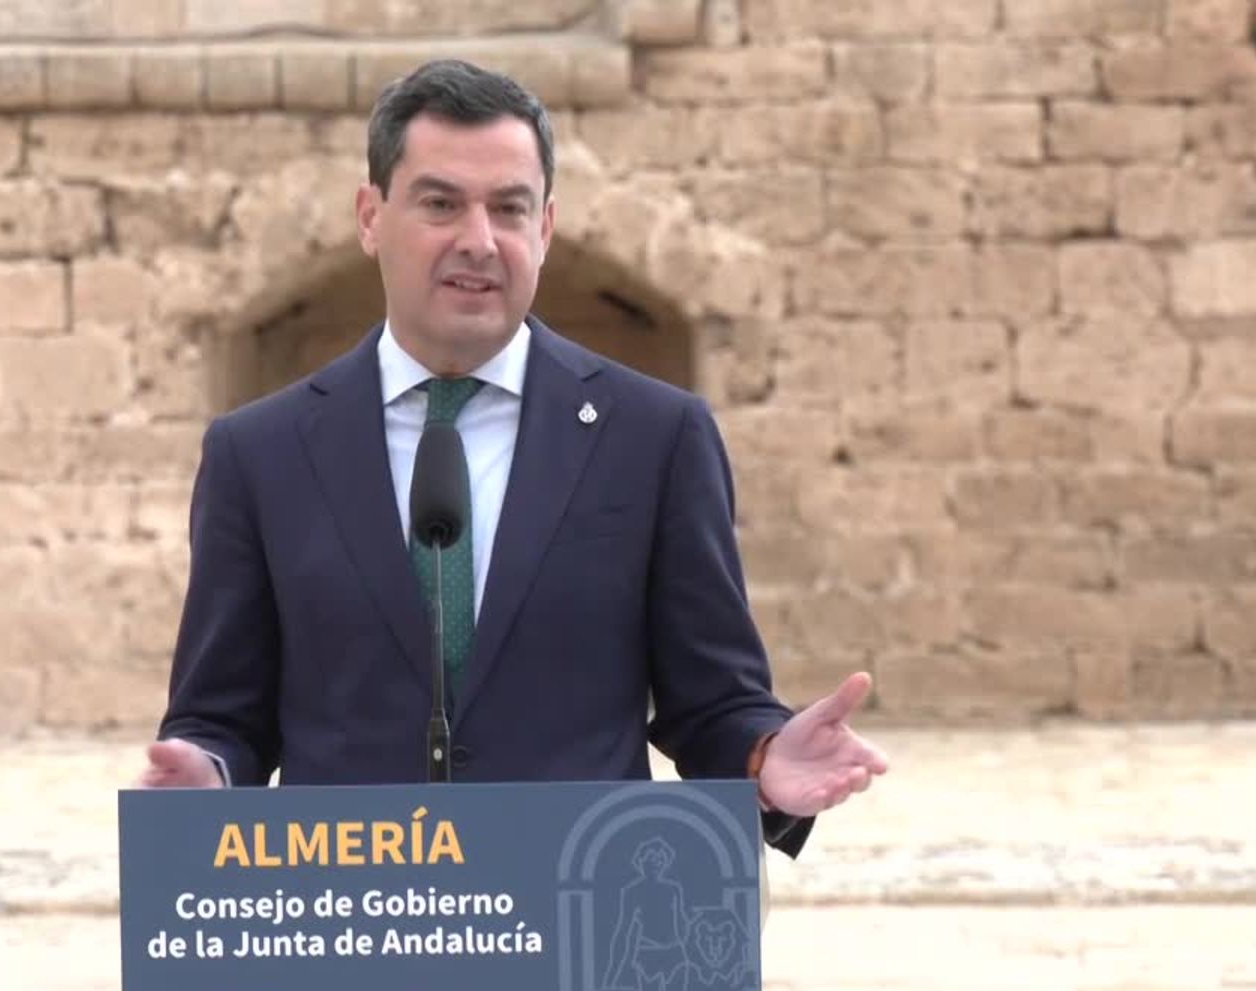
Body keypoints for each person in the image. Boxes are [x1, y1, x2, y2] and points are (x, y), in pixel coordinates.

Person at [143, 58, 887, 860]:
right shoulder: (260, 454)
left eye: (509, 208)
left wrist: (764, 759)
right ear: (370, 217)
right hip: (349, 911)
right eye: (440, 204)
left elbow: (712, 702)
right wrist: (208, 778)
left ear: (546, 228)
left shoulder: (656, 438)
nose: (479, 240)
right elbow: (223, 718)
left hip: (577, 903)